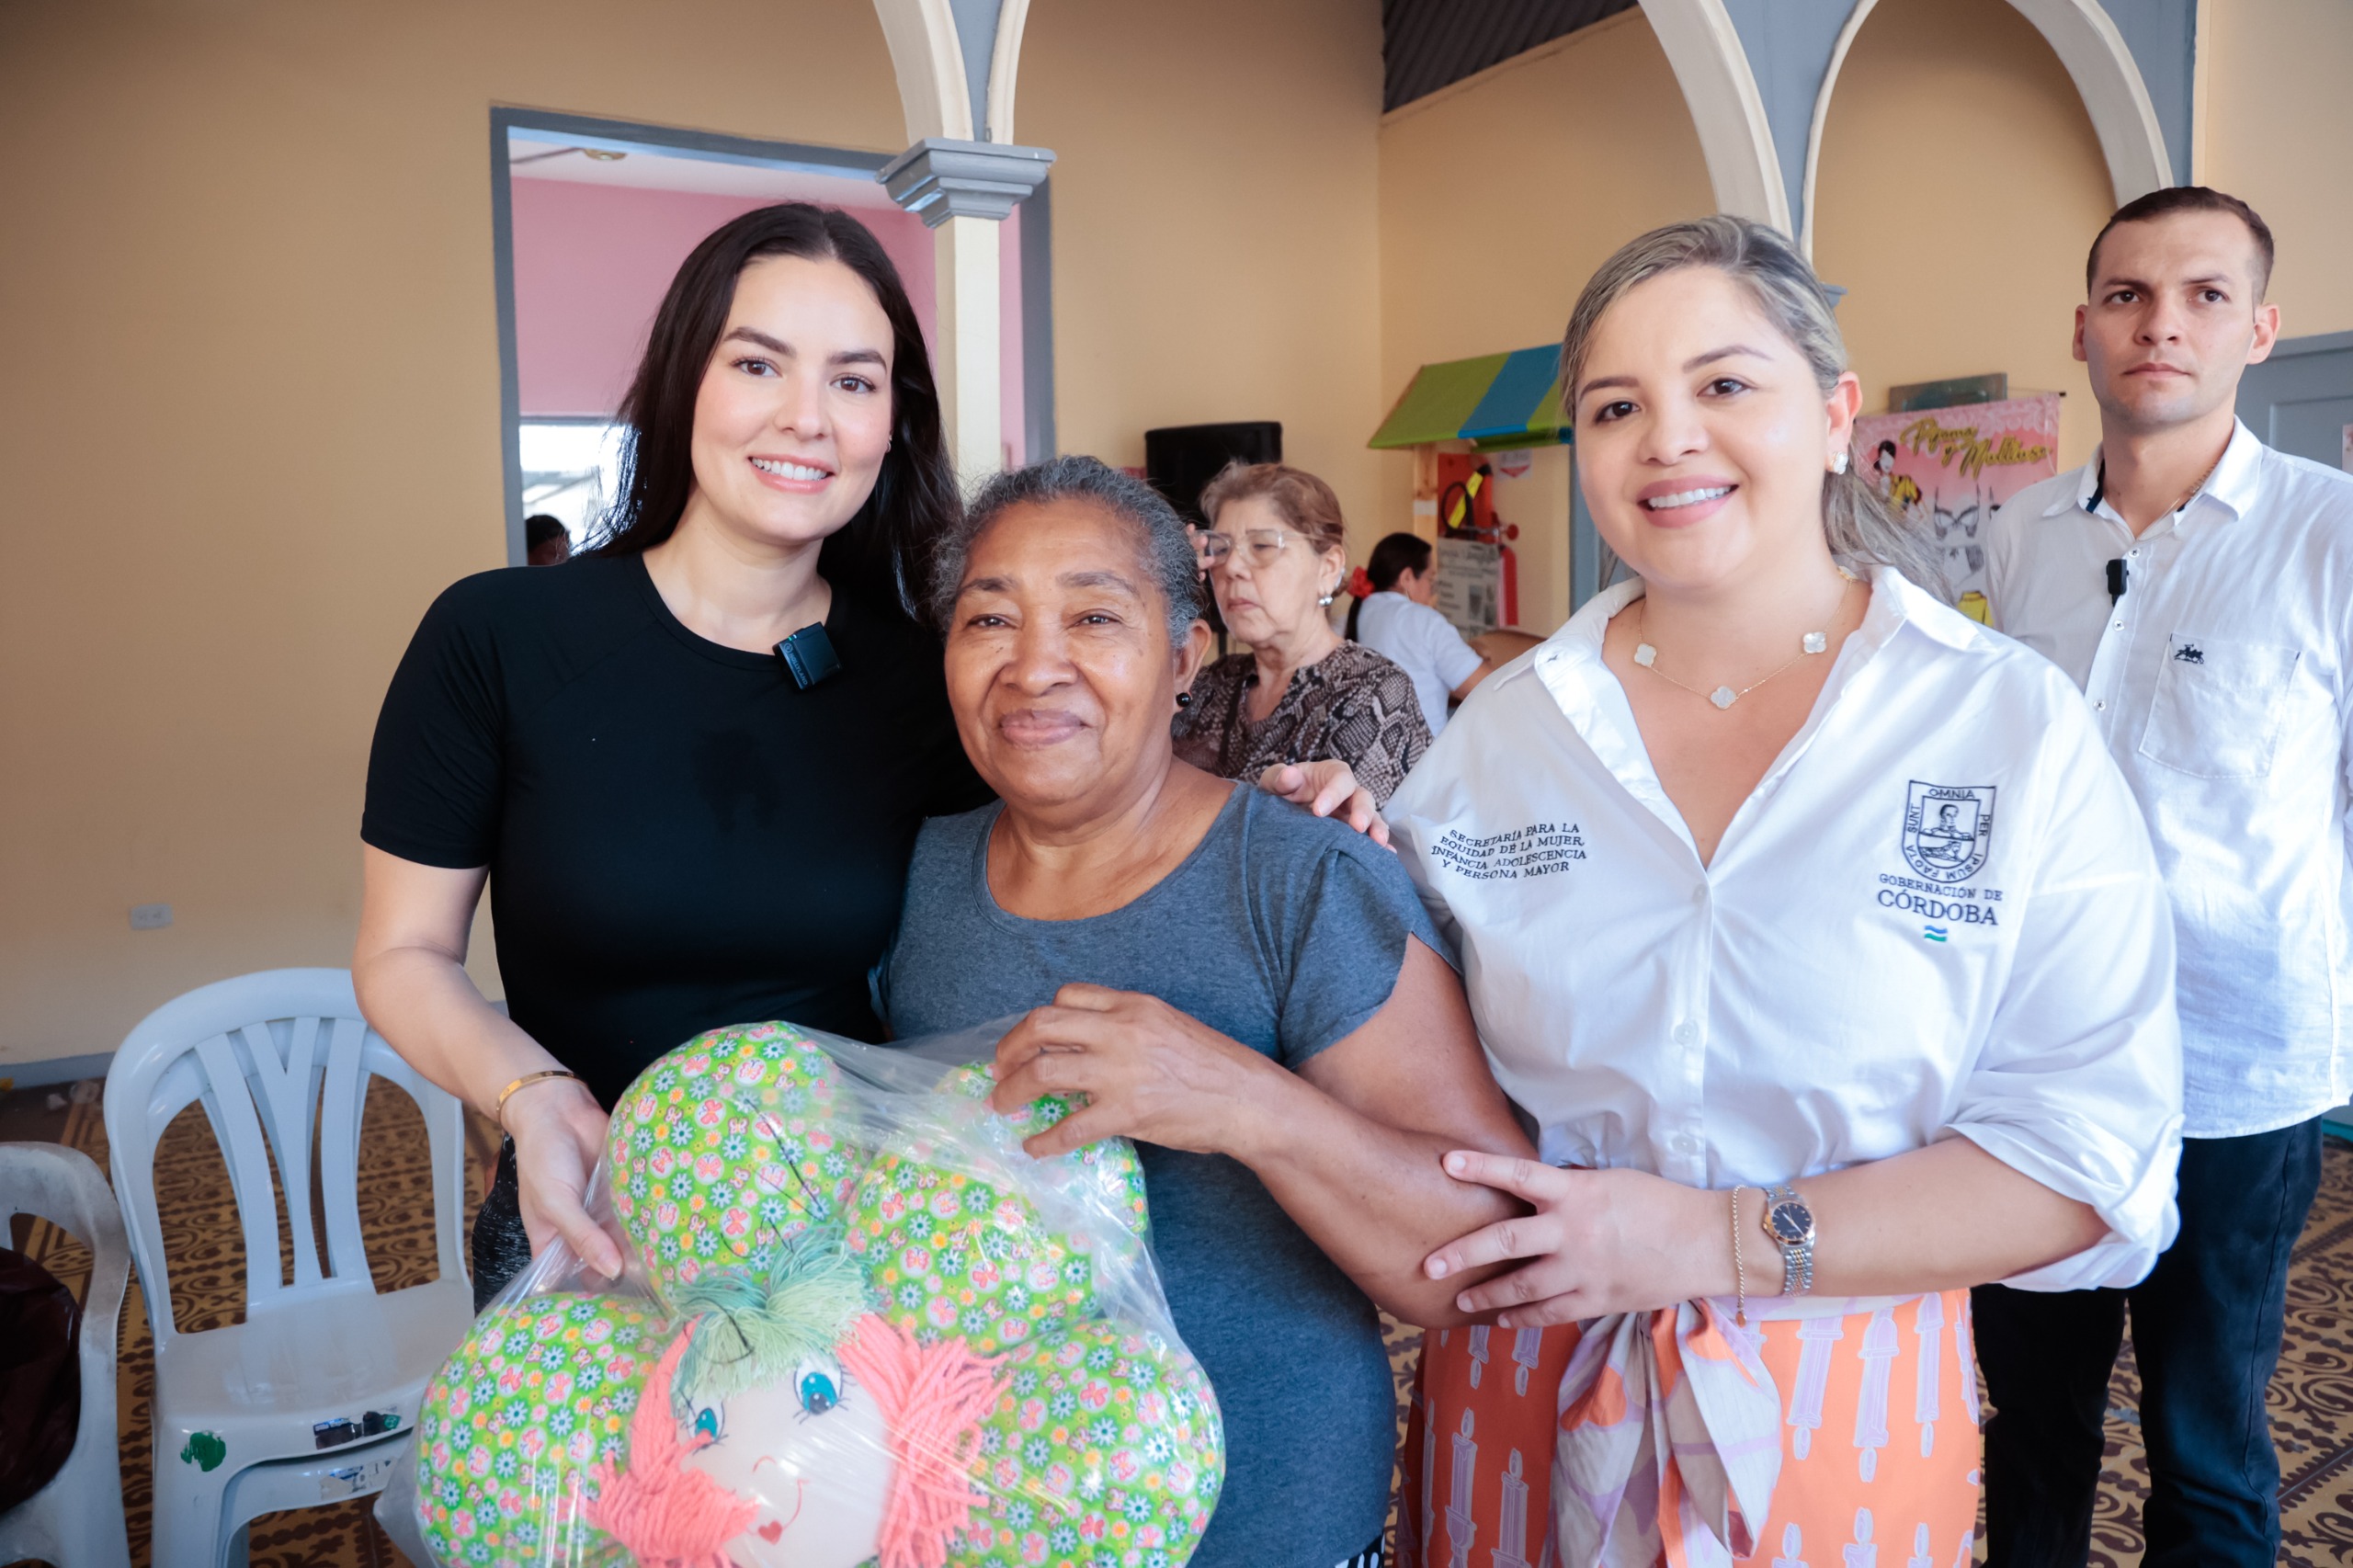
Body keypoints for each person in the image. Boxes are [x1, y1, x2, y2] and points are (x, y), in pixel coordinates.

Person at [353, 208, 1378, 1310]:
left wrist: (1274, 806)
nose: (806, 418)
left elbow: (1091, 832)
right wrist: (532, 1095)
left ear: (894, 419)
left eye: (852, 381)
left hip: (850, 1266)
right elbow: (403, 952)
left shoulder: (931, 676)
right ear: (683, 380)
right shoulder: (499, 637)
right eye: (757, 363)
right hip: (582, 1218)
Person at [1377, 216, 2183, 1565]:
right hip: (1525, 1387)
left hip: (1839, 1406)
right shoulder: (1502, 735)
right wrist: (1316, 864)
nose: (1668, 438)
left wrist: (1719, 1239)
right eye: (1616, 406)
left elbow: (2088, 1162)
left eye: (1725, 385)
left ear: (1834, 415)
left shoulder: (2000, 725)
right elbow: (1398, 1054)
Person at [877, 454, 1536, 1568]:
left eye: (1093, 615)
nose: (1035, 668)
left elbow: (1485, 1252)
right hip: (962, 1524)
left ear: (1185, 656)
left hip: (1263, 1528)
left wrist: (1241, 1097)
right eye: (991, 619)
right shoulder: (914, 877)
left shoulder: (1301, 877)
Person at [1977, 185, 2353, 1567]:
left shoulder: (2332, 535)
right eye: (2129, 294)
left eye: (2203, 296)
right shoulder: (2019, 536)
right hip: (2034, 1062)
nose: (2161, 324)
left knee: (2206, 1440)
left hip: (2237, 1069)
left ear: (2259, 330)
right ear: (2083, 325)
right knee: (2034, 1415)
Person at [1173, 462, 1431, 804]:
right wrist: (1168, 590)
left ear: (1328, 569)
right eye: (1221, 549)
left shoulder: (1373, 688)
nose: (1231, 567)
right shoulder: (1212, 682)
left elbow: (1327, 847)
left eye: (1262, 546)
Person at [1345, 531, 1494, 737]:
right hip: (1420, 759)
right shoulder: (1423, 621)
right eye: (1430, 580)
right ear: (1407, 578)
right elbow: (1486, 688)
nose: (1432, 592)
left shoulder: (1349, 619)